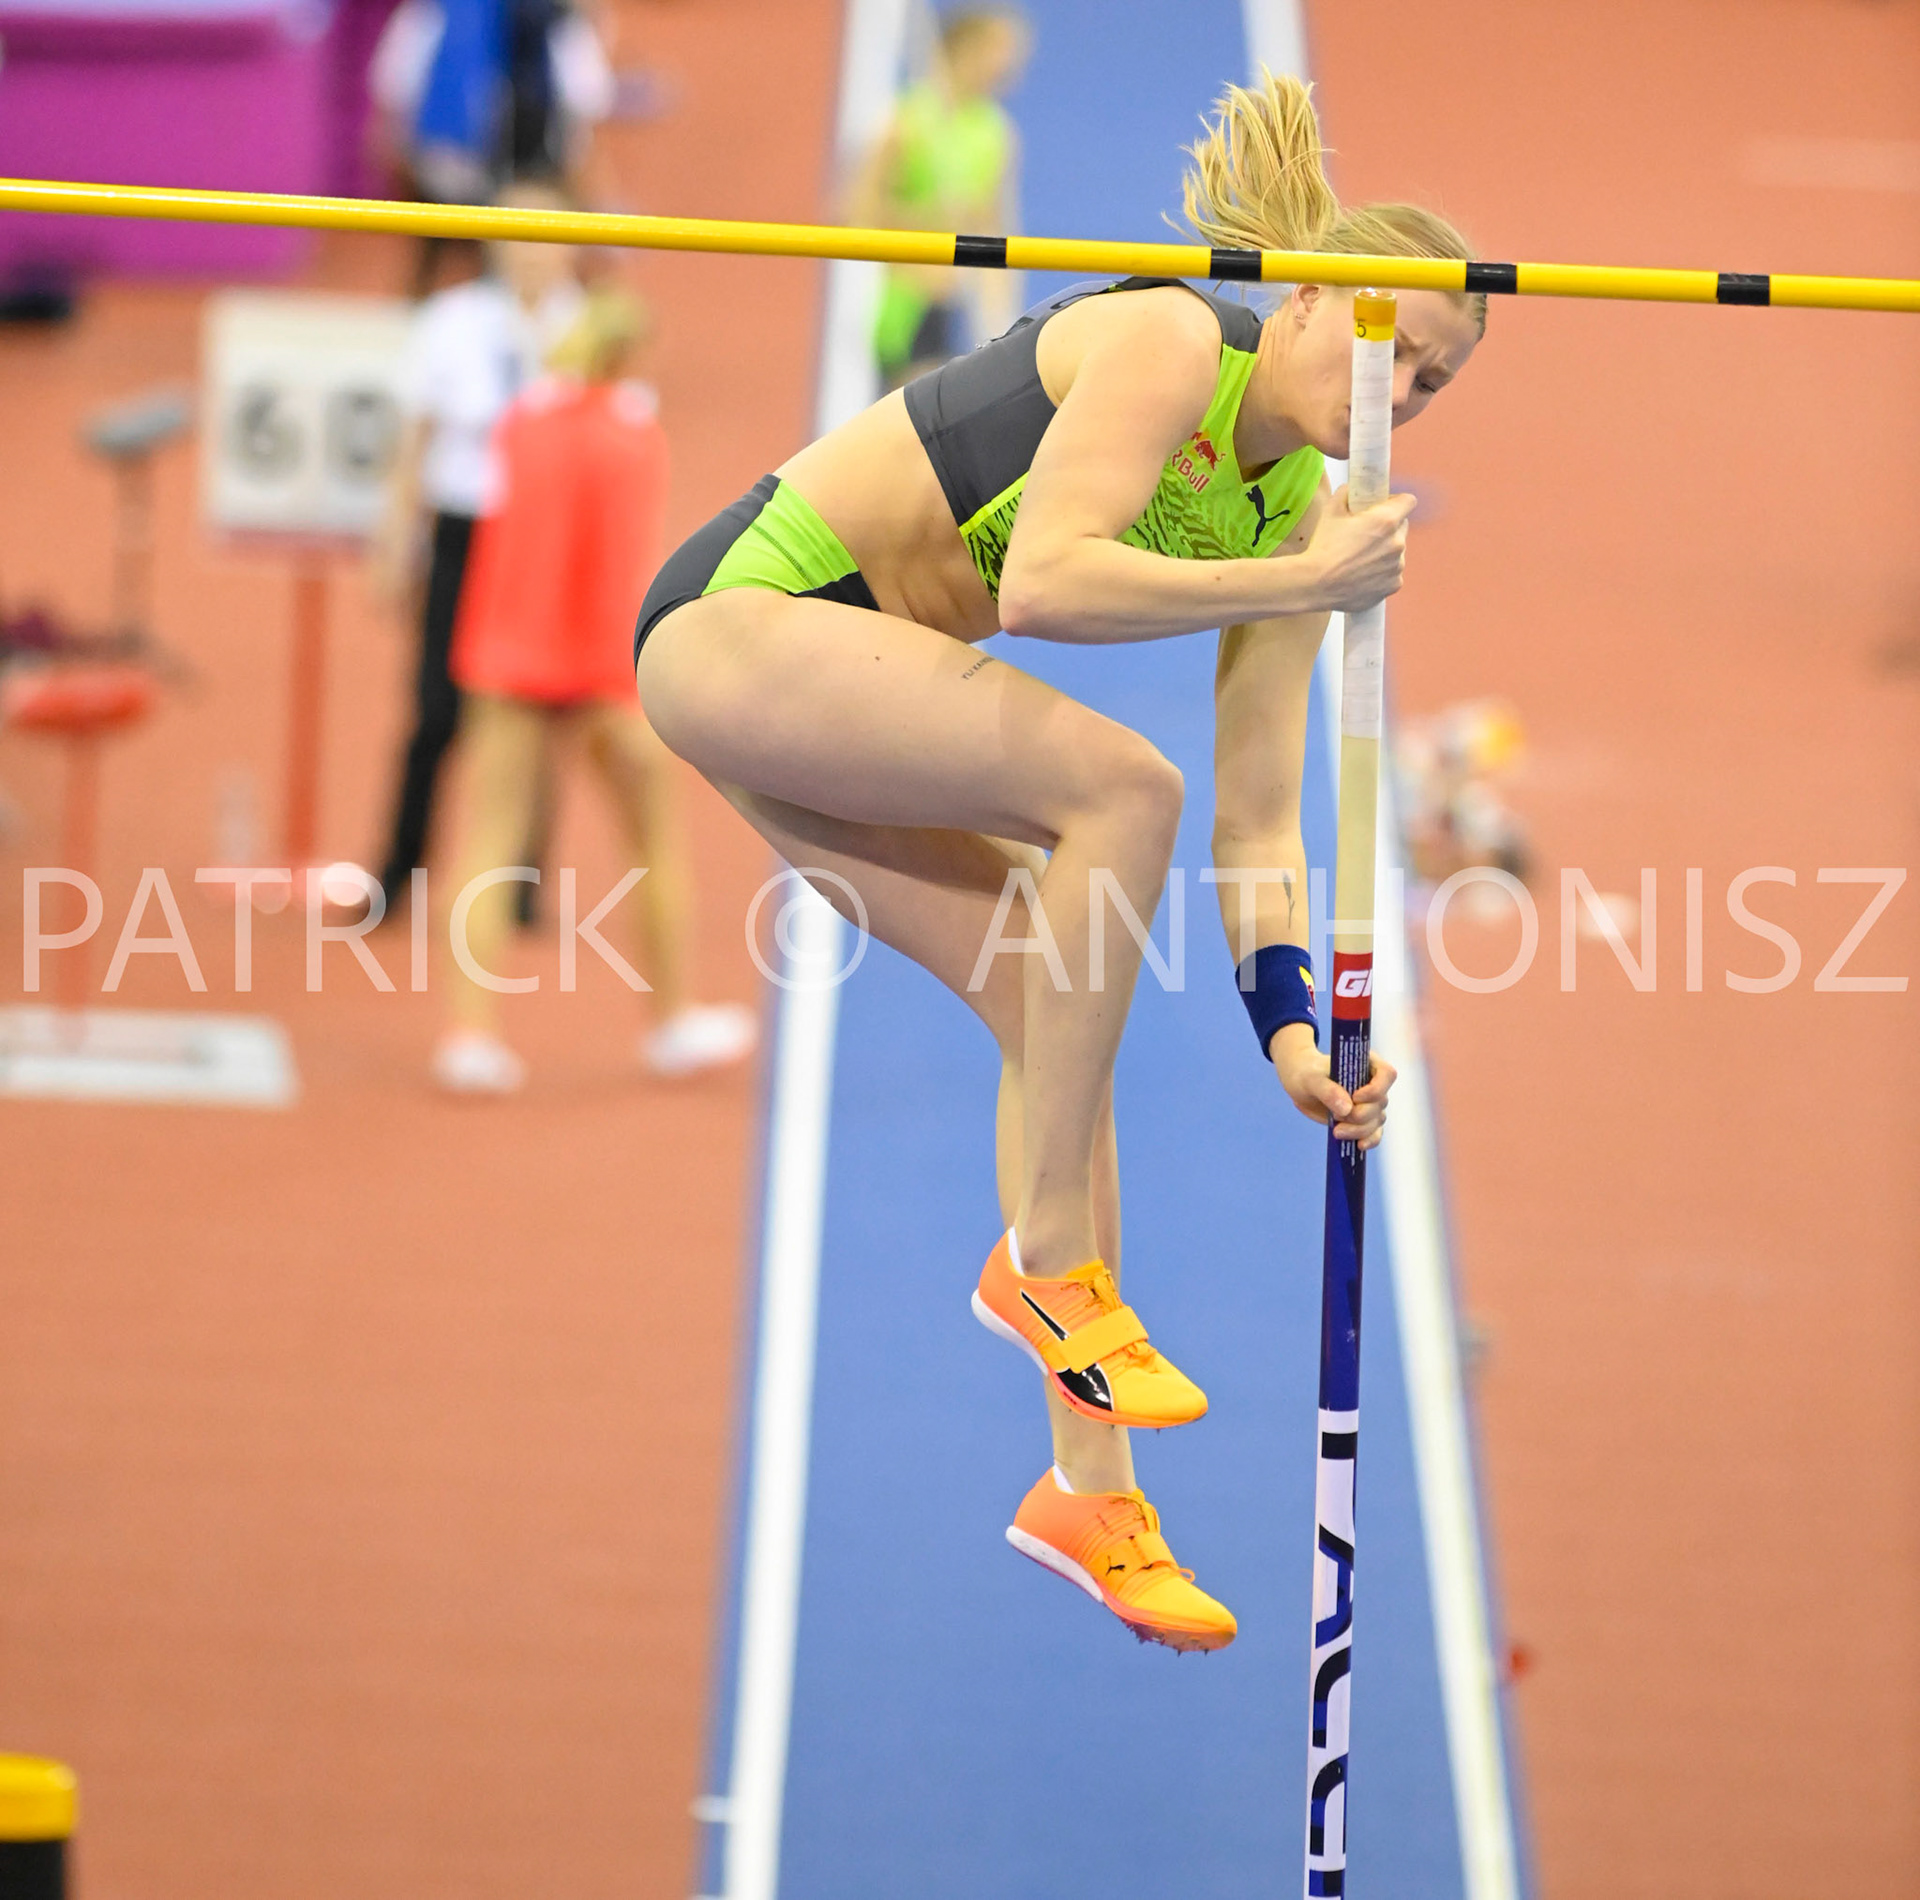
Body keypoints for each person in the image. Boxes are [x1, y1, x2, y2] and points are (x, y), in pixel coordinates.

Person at [633, 72, 1485, 1651]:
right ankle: (1043, 1265)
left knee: (1052, 1010)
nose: (1400, 388)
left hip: (842, 684)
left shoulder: (1297, 509)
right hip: (745, 626)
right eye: (1387, 342)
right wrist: (1294, 573)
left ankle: (1088, 1495)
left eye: (1428, 382)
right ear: (1304, 300)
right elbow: (1044, 580)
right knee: (1118, 786)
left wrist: (1293, 1032)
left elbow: (1258, 830)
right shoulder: (1169, 342)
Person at [432, 288, 758, 1093]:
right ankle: (671, 1020)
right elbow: (625, 563)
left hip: (512, 656)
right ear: (628, 357)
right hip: (599, 668)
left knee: (490, 842)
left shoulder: (522, 425)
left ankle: (469, 1037)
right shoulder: (634, 438)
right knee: (652, 841)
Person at [371, 192, 584, 916]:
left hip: (546, 543)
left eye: (546, 238)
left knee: (541, 712)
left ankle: (522, 885)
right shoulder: (453, 320)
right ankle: (398, 872)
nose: (531, 253)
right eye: (518, 238)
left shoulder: (586, 327)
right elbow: (414, 439)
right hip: (464, 534)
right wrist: (393, 539)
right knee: (436, 711)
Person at [850, 5, 1030, 387]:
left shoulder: (996, 133)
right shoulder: (907, 120)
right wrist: (925, 222)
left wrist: (1002, 317)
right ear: (965, 49)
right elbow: (855, 211)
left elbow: (995, 228)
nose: (1010, 66)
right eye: (1000, 51)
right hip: (905, 302)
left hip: (958, 303)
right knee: (912, 426)